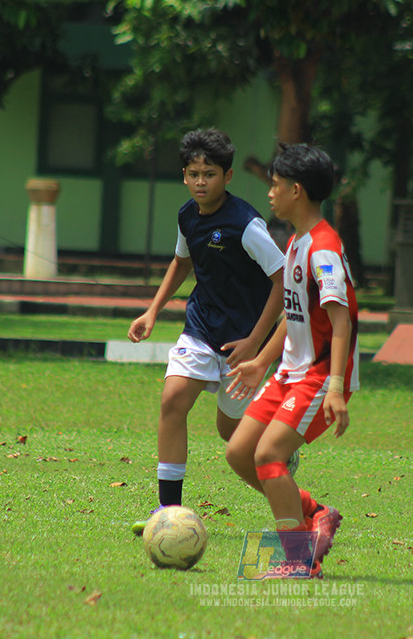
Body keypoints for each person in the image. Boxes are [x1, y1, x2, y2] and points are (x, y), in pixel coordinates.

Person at [127, 128, 286, 532]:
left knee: (231, 435)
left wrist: (255, 341)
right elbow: (182, 262)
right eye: (194, 173)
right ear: (184, 175)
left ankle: (279, 455)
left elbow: (284, 281)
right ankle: (167, 512)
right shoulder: (186, 216)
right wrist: (151, 311)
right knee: (172, 400)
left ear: (227, 177)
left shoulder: (246, 224)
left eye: (210, 174)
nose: (201, 181)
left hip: (244, 342)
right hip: (200, 327)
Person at [224, 143, 359, 578]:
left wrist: (336, 387)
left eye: (276, 184)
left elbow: (342, 323)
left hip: (319, 377)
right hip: (288, 373)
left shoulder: (323, 249)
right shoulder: (297, 242)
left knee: (268, 456)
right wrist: (262, 360)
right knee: (240, 453)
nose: (270, 192)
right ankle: (315, 512)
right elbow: (295, 313)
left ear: (296, 191)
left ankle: (300, 561)